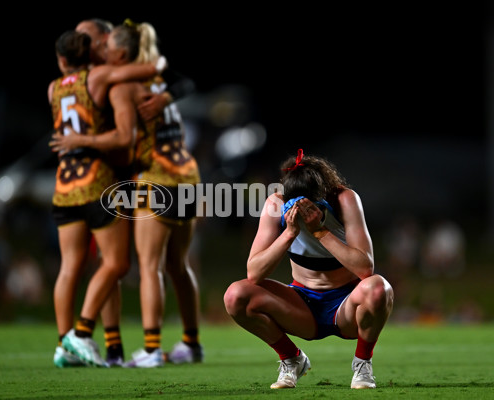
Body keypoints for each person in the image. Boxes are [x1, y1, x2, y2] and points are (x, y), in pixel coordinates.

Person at [50, 20, 203, 368]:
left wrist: (84, 142)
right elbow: (182, 81)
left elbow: (124, 138)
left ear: (111, 46)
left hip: (150, 176)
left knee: (141, 266)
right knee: (176, 264)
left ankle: (136, 347)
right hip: (188, 174)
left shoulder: (109, 83)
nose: (91, 50)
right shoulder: (155, 80)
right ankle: (190, 343)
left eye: (92, 41)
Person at [223, 149, 394, 389]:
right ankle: (292, 359)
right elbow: (255, 272)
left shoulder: (344, 200)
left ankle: (363, 364)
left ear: (323, 195)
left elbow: (365, 268)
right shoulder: (276, 204)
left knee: (378, 288)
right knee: (235, 295)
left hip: (346, 307)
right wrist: (289, 233)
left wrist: (320, 232)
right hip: (303, 305)